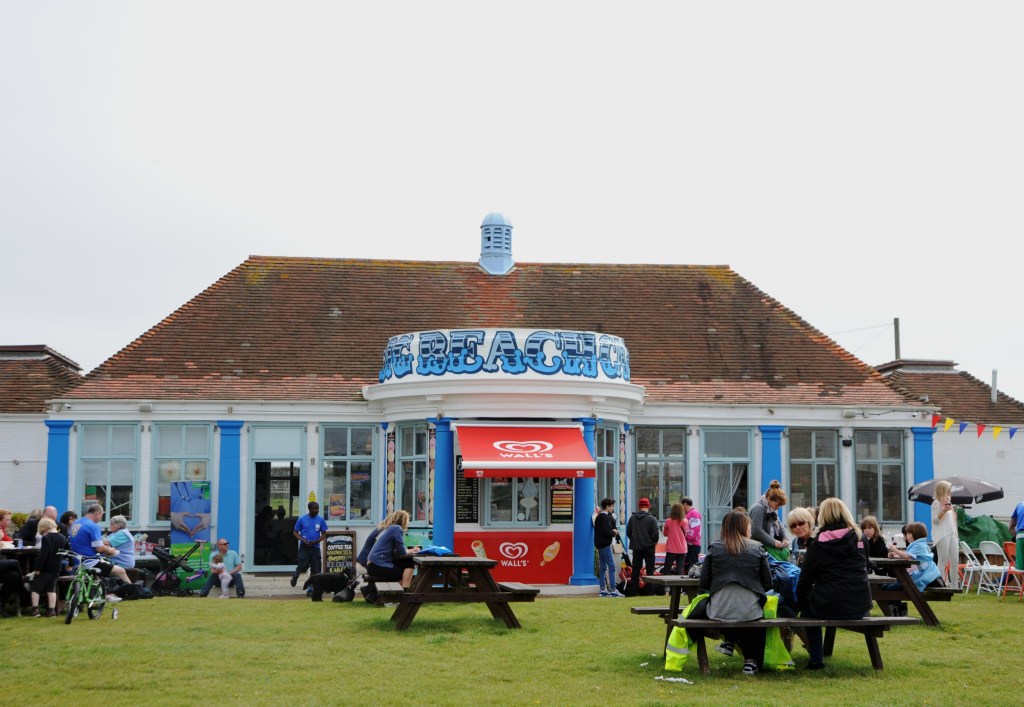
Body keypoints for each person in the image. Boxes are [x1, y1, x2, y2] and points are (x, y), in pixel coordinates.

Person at [686, 510, 773, 675]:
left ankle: (729, 641)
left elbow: (704, 583)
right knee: (752, 614)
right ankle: (751, 661)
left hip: (718, 610)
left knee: (728, 606)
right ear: (744, 528)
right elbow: (768, 583)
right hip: (750, 611)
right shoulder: (757, 548)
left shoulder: (715, 548)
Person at [795, 497, 872, 670]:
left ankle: (816, 658)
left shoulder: (817, 543)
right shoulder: (860, 537)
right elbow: (865, 566)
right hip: (860, 605)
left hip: (827, 605)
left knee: (807, 611)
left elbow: (806, 578)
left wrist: (798, 602)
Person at [68, 504, 129, 602]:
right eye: (101, 516)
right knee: (120, 571)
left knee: (98, 576)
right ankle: (131, 592)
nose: (101, 518)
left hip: (76, 560)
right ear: (97, 514)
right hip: (89, 560)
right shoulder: (93, 526)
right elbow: (99, 548)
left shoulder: (76, 523)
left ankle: (103, 595)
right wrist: (111, 551)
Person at [884, 522, 942, 616]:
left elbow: (906, 556)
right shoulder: (918, 545)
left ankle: (898, 612)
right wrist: (894, 556)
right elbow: (909, 556)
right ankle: (899, 610)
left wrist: (893, 549)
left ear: (916, 534)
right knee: (887, 587)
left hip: (925, 577)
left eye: (909, 533)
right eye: (906, 533)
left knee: (890, 588)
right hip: (923, 575)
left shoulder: (919, 545)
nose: (906, 536)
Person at [366, 510, 419, 588]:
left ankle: (401, 591)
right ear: (404, 520)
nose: (408, 523)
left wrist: (409, 551)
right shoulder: (397, 528)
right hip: (378, 565)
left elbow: (399, 551)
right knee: (407, 566)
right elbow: (402, 553)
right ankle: (405, 591)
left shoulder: (390, 528)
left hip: (372, 565)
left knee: (406, 564)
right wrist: (409, 552)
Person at [28, 517, 68, 617]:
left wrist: (37, 568)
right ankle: (51, 610)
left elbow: (43, 555)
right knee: (51, 589)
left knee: (36, 588)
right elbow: (68, 550)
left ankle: (35, 610)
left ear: (43, 527)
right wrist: (70, 563)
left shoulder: (46, 538)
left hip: (45, 568)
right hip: (56, 568)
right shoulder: (62, 537)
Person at [290, 501, 330, 589]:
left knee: (315, 569)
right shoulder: (302, 519)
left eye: (318, 508)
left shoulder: (321, 520)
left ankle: (311, 588)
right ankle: (295, 576)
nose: (317, 510)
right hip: (304, 547)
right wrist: (302, 540)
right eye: (315, 509)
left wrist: (317, 541)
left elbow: (324, 534)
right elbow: (295, 532)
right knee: (302, 567)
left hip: (315, 548)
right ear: (310, 509)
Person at [625, 497, 660, 596]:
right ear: (648, 506)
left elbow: (628, 532)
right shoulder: (652, 518)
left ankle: (633, 591)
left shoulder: (632, 518)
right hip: (649, 547)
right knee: (650, 570)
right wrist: (653, 542)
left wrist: (634, 540)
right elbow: (656, 534)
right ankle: (650, 591)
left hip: (636, 547)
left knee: (635, 570)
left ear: (639, 506)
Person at [749, 480, 789, 560]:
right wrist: (773, 542)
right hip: (756, 550)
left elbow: (779, 525)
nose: (778, 508)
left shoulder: (771, 509)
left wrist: (785, 538)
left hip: (765, 549)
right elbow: (756, 530)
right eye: (777, 504)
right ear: (768, 499)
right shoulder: (758, 508)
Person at [931, 481, 959, 590]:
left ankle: (955, 585)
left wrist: (952, 511)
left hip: (952, 533)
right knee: (942, 560)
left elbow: (952, 521)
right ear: (943, 490)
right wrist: (943, 510)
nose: (950, 492)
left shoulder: (949, 503)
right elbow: (935, 521)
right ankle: (941, 584)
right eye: (948, 489)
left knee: (955, 560)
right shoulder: (936, 503)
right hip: (942, 534)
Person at [594, 498, 623, 597]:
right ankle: (613, 589)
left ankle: (602, 589)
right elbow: (606, 532)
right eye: (612, 506)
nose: (612, 508)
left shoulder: (598, 517)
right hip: (605, 545)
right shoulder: (605, 517)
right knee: (612, 566)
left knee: (603, 567)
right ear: (607, 506)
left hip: (599, 545)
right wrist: (614, 532)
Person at [661, 502, 688, 575]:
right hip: (682, 549)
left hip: (671, 549)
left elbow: (665, 534)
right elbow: (685, 534)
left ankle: (666, 586)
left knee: (667, 569)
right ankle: (678, 586)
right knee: (680, 570)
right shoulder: (685, 521)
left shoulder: (669, 521)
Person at [680, 497, 703, 573]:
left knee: (692, 568)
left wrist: (687, 539)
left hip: (692, 545)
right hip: (691, 544)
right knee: (688, 567)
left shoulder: (693, 513)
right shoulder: (691, 513)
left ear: (685, 504)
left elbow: (694, 529)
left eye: (682, 505)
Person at [1012, 497, 1024, 571]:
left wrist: (1015, 535)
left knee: (1020, 568)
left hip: (1019, 536)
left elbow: (1012, 524)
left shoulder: (1019, 505)